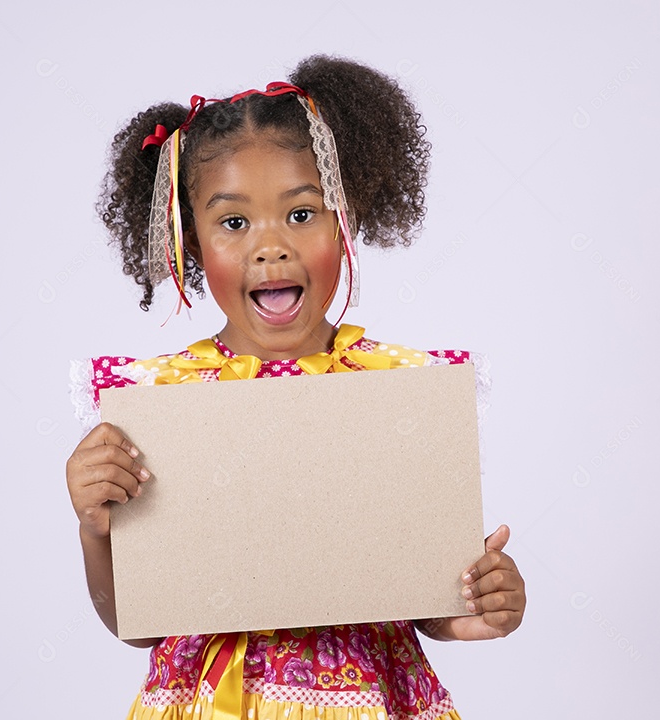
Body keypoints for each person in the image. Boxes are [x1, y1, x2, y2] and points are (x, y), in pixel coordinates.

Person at [66, 54, 526, 720]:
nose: (271, 246)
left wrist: (474, 605)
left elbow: (418, 588)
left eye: (302, 214)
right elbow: (138, 625)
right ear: (191, 242)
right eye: (233, 223)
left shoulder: (396, 393)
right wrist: (95, 529)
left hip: (365, 701)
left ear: (345, 220)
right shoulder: (162, 402)